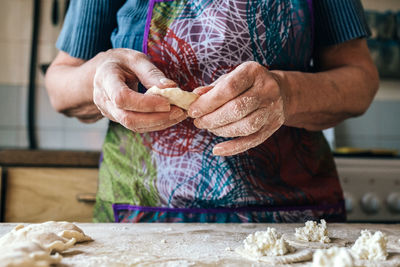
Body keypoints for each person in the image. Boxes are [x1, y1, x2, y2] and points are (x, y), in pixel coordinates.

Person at [45, 0, 378, 223]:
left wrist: (288, 93)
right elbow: (60, 84)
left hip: (291, 218)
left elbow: (360, 79)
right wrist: (100, 74)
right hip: (142, 215)